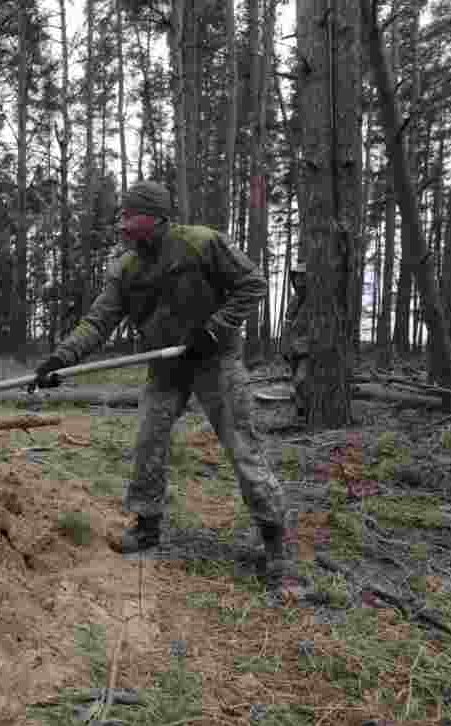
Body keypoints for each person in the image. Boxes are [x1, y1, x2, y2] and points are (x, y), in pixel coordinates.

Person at [31, 180, 292, 589]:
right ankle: (147, 524)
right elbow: (98, 321)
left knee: (243, 447)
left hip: (214, 360)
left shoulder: (202, 244)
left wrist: (214, 329)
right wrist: (60, 358)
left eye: (130, 217)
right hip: (164, 366)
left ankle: (274, 538)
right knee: (149, 442)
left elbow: (253, 283)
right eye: (122, 217)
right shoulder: (126, 268)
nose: (123, 225)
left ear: (156, 218)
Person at [281, 256, 309, 422]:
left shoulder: (317, 300)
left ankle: (306, 412)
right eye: (296, 276)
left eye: (302, 276)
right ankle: (300, 413)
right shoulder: (294, 299)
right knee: (296, 381)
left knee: (301, 380)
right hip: (293, 349)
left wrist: (302, 345)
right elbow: (288, 323)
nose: (299, 280)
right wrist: (285, 346)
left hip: (306, 350)